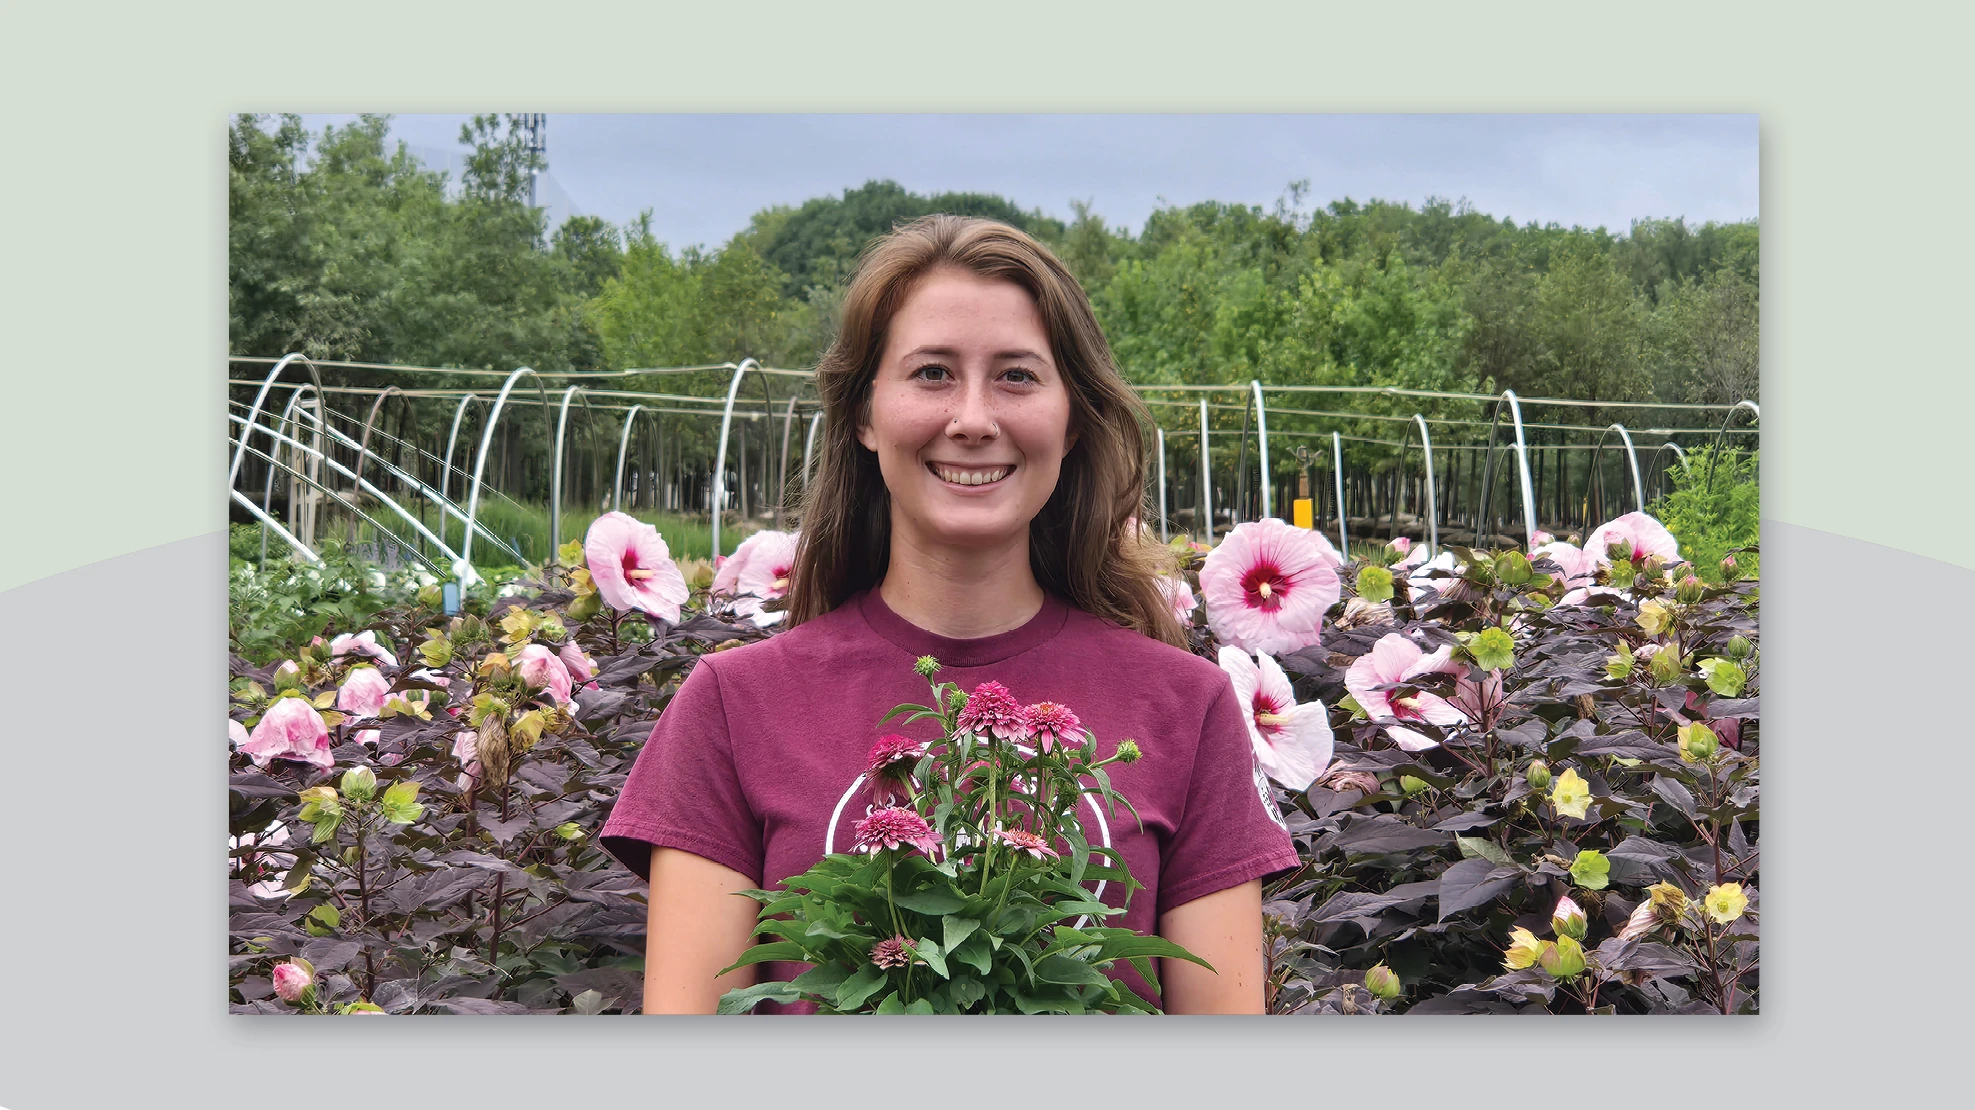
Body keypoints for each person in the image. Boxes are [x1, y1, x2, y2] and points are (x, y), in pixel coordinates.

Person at [600, 215, 1297, 1014]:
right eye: (931, 373)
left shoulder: (1186, 706)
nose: (971, 419)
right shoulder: (732, 706)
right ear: (864, 415)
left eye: (1017, 376)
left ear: (1072, 419)